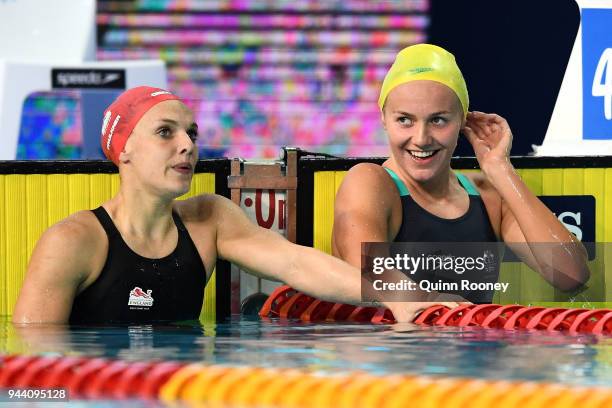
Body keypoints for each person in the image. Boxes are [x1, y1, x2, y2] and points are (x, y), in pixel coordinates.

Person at [12, 86, 459, 325]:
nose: (188, 145)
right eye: (166, 132)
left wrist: (394, 295)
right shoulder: (73, 241)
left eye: (192, 133)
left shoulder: (209, 218)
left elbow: (296, 263)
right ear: (123, 149)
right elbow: (29, 376)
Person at [332, 44, 589, 302]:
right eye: (404, 120)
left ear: (463, 122)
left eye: (438, 120)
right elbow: (367, 275)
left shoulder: (488, 197)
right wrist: (442, 307)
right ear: (384, 119)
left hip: (475, 342)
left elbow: (571, 276)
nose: (421, 139)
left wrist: (501, 170)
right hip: (388, 343)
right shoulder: (370, 182)